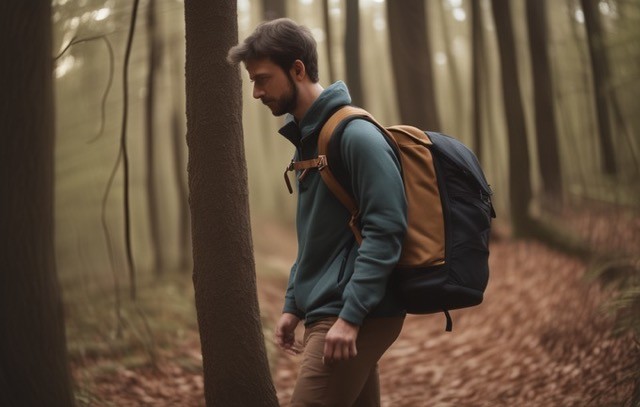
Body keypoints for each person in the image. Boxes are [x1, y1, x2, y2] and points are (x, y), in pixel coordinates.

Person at [227, 18, 407, 406]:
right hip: (333, 308)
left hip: (352, 310)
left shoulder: (355, 136)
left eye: (262, 79)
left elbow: (387, 227)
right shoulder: (309, 140)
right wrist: (294, 304)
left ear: (298, 69)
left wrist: (352, 316)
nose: (256, 92)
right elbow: (316, 238)